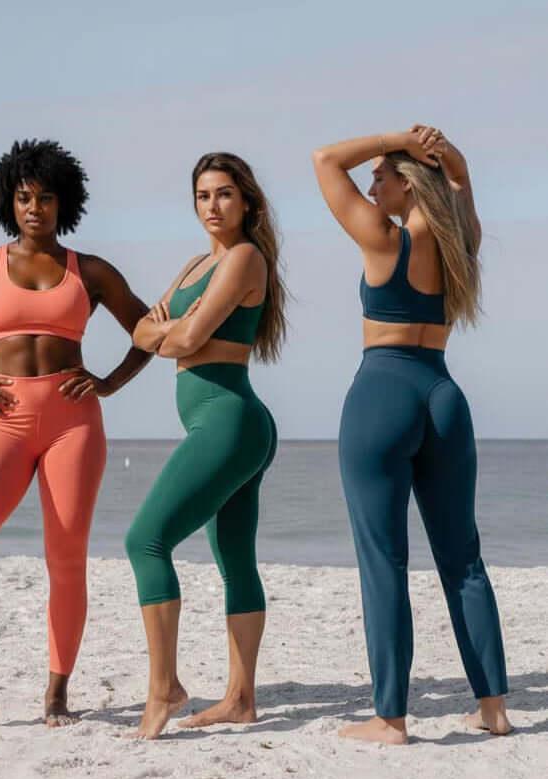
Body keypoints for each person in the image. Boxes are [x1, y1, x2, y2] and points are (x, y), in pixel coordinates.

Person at [0, 139, 150, 739]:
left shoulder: (89, 271)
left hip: (74, 423)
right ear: (7, 202)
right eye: (23, 198)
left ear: (62, 201)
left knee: (65, 559)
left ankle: (58, 690)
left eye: (44, 197)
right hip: (5, 420)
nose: (34, 208)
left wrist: (110, 382)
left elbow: (148, 330)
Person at [311, 125, 511, 744]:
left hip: (382, 394)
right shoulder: (460, 245)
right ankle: (494, 710)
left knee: (384, 560)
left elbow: (323, 160)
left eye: (380, 175)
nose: (371, 185)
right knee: (464, 559)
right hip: (444, 396)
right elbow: (461, 186)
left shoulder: (383, 240)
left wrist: (396, 135)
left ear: (406, 182)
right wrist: (454, 162)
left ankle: (390, 718)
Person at [126, 152, 286, 739]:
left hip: (228, 421)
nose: (212, 206)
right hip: (227, 424)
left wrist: (174, 327)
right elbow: (144, 333)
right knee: (234, 558)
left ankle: (163, 688)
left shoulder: (245, 258)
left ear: (247, 201)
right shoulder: (200, 262)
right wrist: (168, 327)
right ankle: (241, 699)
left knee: (145, 539)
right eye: (202, 195)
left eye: (223, 194)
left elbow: (182, 336)